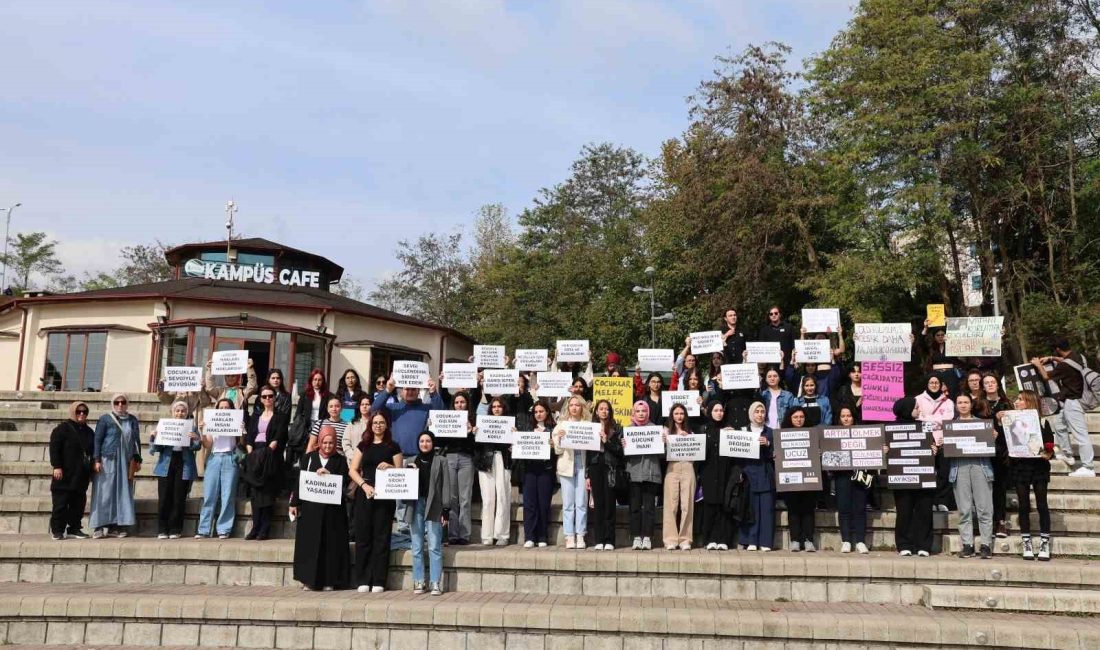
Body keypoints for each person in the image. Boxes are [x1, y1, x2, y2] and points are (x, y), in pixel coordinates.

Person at [290, 427, 351, 591]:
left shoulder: (340, 460)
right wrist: (294, 503)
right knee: (309, 545)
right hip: (310, 511)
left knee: (330, 546)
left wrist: (330, 475)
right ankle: (308, 580)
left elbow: (344, 483)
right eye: (325, 442)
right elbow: (300, 482)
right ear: (319, 442)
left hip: (332, 513)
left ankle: (329, 580)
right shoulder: (309, 458)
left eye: (331, 442)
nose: (328, 445)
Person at [348, 413, 402, 592]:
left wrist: (391, 467)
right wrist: (364, 486)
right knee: (363, 537)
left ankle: (379, 580)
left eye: (382, 422)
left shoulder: (393, 446)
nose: (378, 425)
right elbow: (353, 470)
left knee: (381, 537)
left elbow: (401, 472)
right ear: (370, 425)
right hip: (366, 493)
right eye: (375, 423)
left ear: (386, 426)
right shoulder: (363, 445)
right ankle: (363, 579)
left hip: (385, 496)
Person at [1032, 340, 1095, 478]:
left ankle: (1088, 466)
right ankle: (1068, 454)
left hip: (1074, 402)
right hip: (1071, 401)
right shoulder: (1077, 356)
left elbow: (1046, 376)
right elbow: (1063, 360)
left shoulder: (1064, 366)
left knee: (1080, 434)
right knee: (1059, 425)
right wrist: (1051, 358)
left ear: (1058, 349)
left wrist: (1037, 365)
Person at [1009, 390, 1055, 560]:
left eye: (1020, 399)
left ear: (1029, 402)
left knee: (1042, 504)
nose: (1016, 402)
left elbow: (1050, 444)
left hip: (1039, 467)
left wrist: (1048, 452)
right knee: (1023, 505)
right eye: (1016, 398)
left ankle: (1044, 542)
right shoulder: (1011, 419)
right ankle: (1026, 541)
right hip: (1020, 466)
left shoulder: (1043, 421)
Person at [949, 393, 995, 559]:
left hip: (980, 466)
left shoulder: (982, 424)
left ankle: (986, 544)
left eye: (966, 402)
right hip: (959, 468)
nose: (962, 405)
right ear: (956, 405)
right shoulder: (950, 426)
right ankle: (967, 545)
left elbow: (991, 448)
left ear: (971, 404)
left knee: (984, 508)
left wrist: (993, 437)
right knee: (964, 509)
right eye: (959, 402)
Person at [90, 394, 141, 539]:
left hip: (126, 461)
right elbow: (98, 440)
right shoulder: (105, 419)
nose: (120, 405)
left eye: (123, 402)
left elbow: (136, 440)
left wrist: (138, 458)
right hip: (108, 458)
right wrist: (97, 460)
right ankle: (99, 526)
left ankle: (116, 526)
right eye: (117, 402)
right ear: (113, 404)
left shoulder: (132, 420)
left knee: (122, 492)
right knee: (104, 492)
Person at [891, 396, 937, 557]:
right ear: (906, 409)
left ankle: (923, 544)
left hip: (923, 475)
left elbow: (931, 445)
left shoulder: (924, 426)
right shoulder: (891, 428)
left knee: (924, 510)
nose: (919, 409)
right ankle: (904, 544)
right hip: (901, 477)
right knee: (904, 511)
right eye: (916, 407)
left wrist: (933, 450)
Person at [149, 401, 201, 539]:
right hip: (167, 462)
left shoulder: (192, 428)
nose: (180, 413)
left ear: (186, 413)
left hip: (184, 463)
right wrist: (154, 437)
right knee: (164, 497)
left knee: (179, 498)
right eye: (177, 411)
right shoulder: (165, 426)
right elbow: (155, 449)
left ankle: (175, 529)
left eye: (183, 411)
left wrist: (195, 439)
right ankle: (162, 529)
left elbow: (196, 447)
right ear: (172, 412)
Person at [243, 386, 289, 540]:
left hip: (270, 455)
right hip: (255, 453)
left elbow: (279, 436)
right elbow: (250, 436)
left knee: (267, 494)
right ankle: (255, 527)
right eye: (264, 396)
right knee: (256, 495)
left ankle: (264, 528)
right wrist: (251, 454)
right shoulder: (256, 416)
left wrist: (265, 454)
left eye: (270, 396)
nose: (268, 399)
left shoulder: (280, 416)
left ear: (275, 397)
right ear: (260, 399)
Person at [409, 431, 451, 595]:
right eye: (422, 441)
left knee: (434, 545)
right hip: (416, 504)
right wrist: (409, 471)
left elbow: (446, 485)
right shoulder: (411, 460)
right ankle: (419, 580)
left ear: (432, 443)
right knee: (417, 545)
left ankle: (435, 582)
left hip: (434, 504)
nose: (424, 444)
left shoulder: (441, 461)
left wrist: (446, 509)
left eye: (428, 441)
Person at [195, 397, 244, 540]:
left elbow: (240, 444)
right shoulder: (212, 422)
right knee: (209, 495)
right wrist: (202, 431)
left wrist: (242, 431)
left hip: (230, 457)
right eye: (221, 408)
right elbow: (208, 445)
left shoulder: (235, 422)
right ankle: (204, 529)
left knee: (227, 495)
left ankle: (224, 529)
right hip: (214, 458)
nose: (223, 410)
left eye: (226, 408)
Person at [437, 388, 478, 545]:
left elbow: (475, 446)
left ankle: (464, 535)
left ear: (467, 404)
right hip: (450, 458)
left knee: (465, 499)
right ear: (453, 405)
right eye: (456, 402)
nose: (459, 405)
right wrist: (433, 427)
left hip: (467, 460)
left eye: (462, 402)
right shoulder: (448, 419)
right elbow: (440, 442)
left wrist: (470, 432)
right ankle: (453, 535)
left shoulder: (473, 421)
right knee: (452, 498)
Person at [49, 401, 95, 540]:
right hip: (64, 473)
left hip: (81, 474)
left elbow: (92, 451)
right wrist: (56, 466)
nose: (81, 414)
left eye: (84, 412)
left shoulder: (89, 431)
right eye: (78, 411)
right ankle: (57, 530)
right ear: (73, 412)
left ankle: (74, 528)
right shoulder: (62, 429)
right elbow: (54, 448)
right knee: (60, 504)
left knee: (78, 504)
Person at [551, 395, 590, 549]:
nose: (574, 407)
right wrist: (559, 439)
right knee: (568, 503)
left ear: (582, 407)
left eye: (577, 405)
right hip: (566, 465)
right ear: (568, 408)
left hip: (582, 465)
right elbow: (557, 450)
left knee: (581, 502)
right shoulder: (561, 425)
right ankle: (569, 536)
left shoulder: (588, 425)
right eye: (571, 405)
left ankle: (580, 535)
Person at [475, 396, 514, 545]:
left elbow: (514, 447)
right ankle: (487, 535)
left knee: (503, 496)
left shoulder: (510, 424)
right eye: (494, 407)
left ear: (504, 409)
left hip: (503, 460)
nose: (496, 409)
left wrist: (514, 437)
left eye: (499, 407)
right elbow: (477, 447)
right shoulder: (483, 424)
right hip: (486, 461)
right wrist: (476, 433)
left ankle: (502, 535)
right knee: (488, 499)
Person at [624, 400, 661, 550]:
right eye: (638, 411)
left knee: (649, 508)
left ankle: (647, 537)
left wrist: (664, 443)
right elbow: (622, 454)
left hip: (651, 473)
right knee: (635, 508)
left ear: (648, 413)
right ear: (634, 413)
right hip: (634, 474)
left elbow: (662, 454)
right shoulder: (628, 429)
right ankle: (636, 537)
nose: (641, 414)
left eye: (643, 411)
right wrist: (623, 446)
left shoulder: (656, 429)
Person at [915, 375, 955, 512]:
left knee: (944, 470)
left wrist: (928, 418)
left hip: (943, 440)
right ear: (927, 384)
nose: (934, 384)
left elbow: (948, 419)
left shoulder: (948, 402)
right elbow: (917, 418)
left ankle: (942, 500)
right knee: (928, 472)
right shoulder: (918, 399)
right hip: (925, 439)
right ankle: (930, 500)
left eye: (936, 382)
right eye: (931, 382)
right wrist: (937, 420)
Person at [738, 401, 774, 551]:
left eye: (762, 411)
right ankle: (751, 540)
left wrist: (768, 445)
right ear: (751, 414)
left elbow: (775, 455)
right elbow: (736, 454)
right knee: (751, 509)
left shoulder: (770, 432)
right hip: (748, 474)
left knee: (766, 509)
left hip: (765, 474)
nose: (760, 414)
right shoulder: (742, 431)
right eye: (757, 412)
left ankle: (765, 542)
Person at [833, 405, 869, 553]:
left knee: (860, 508)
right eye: (843, 416)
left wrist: (881, 450)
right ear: (839, 418)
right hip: (842, 476)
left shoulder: (864, 432)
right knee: (844, 508)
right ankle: (846, 540)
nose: (846, 418)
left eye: (848, 415)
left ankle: (860, 541)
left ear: (853, 417)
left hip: (861, 474)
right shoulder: (833, 434)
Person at [588, 399, 624, 550]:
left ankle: (609, 540)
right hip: (595, 468)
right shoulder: (590, 428)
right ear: (596, 411)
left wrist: (606, 441)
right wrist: (587, 476)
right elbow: (587, 454)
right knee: (598, 505)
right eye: (601, 409)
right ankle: (599, 540)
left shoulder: (617, 428)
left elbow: (619, 451)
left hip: (610, 468)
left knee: (609, 504)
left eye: (607, 409)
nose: (604, 411)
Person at [782, 407, 818, 552]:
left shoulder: (813, 434)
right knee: (794, 510)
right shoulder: (782, 434)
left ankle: (809, 540)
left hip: (809, 478)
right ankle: (795, 539)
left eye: (801, 417)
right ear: (790, 418)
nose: (799, 419)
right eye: (795, 417)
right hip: (791, 478)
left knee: (808, 509)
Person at [521, 400, 556, 548]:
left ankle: (542, 535)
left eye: (541, 411)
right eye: (536, 412)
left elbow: (558, 452)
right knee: (529, 504)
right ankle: (529, 536)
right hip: (529, 470)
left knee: (543, 504)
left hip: (545, 471)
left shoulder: (553, 429)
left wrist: (554, 446)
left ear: (547, 412)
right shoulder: (528, 429)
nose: (538, 414)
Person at [662, 403, 696, 550]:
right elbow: (661, 454)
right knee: (671, 504)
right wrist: (665, 441)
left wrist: (688, 439)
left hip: (688, 467)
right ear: (672, 415)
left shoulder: (691, 432)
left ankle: (685, 539)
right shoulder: (665, 431)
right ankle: (670, 539)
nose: (679, 416)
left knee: (687, 505)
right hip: (672, 468)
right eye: (676, 413)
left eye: (682, 413)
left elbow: (696, 453)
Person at [699, 401, 732, 550]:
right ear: (710, 412)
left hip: (726, 471)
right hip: (709, 472)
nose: (719, 413)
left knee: (724, 506)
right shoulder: (704, 429)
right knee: (710, 506)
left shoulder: (730, 429)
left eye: (721, 410)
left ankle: (723, 539)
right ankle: (709, 539)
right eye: (716, 410)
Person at [982, 373, 1012, 538]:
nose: (990, 384)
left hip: (1002, 451)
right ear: (983, 386)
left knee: (999, 488)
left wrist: (1000, 424)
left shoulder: (1007, 403)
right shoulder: (979, 404)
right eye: (986, 382)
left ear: (998, 384)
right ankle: (986, 521)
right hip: (983, 450)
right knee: (985, 488)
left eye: (993, 382)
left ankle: (1000, 521)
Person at [288, 369, 331, 465]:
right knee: (305, 453)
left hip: (321, 426)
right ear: (311, 381)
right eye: (315, 379)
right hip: (306, 427)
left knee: (318, 452)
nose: (317, 382)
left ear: (323, 381)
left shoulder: (328, 395)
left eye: (320, 380)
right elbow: (298, 413)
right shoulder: (304, 395)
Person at [342, 395, 374, 460]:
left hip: (370, 461)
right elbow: (345, 442)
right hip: (353, 461)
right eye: (362, 404)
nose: (364, 406)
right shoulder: (352, 424)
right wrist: (354, 457)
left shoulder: (375, 423)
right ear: (359, 407)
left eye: (367, 404)